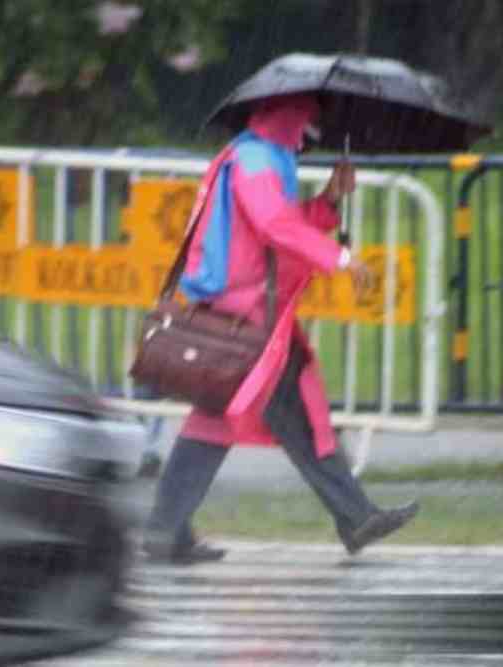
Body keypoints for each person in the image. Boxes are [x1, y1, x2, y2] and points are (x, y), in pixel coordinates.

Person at [142, 93, 419, 564]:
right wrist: (340, 257)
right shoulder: (255, 159)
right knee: (261, 417)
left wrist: (330, 199)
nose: (313, 126)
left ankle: (168, 531)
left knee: (230, 418)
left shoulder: (265, 156)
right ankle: (354, 516)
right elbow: (274, 225)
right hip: (246, 312)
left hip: (251, 311)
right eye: (309, 116)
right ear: (288, 114)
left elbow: (280, 224)